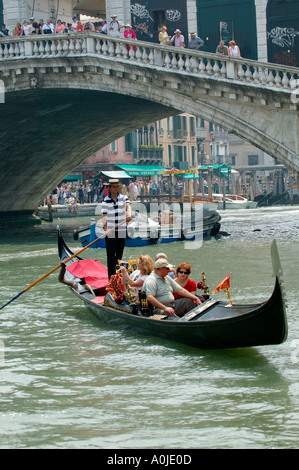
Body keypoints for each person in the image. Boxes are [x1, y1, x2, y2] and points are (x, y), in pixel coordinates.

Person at [101, 179, 132, 279]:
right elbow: (103, 216)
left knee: (119, 255)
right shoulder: (106, 200)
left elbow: (128, 205)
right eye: (113, 187)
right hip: (110, 231)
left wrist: (129, 214)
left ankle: (117, 276)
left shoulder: (123, 197)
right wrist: (106, 229)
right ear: (109, 188)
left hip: (121, 230)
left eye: (116, 187)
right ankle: (111, 279)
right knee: (111, 256)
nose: (115, 188)